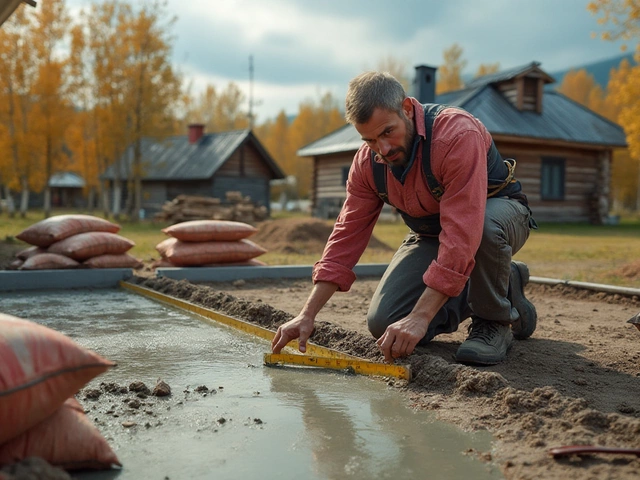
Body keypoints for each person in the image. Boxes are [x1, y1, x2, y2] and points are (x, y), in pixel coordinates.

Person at [271, 71, 537, 366]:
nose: (382, 150)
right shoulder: (367, 163)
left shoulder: (457, 135)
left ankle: (493, 321)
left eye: (387, 132)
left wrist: (421, 316)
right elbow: (347, 234)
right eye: (370, 139)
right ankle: (505, 279)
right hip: (432, 234)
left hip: (497, 217)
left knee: (484, 228)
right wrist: (306, 315)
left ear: (408, 109)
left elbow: (463, 233)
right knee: (385, 324)